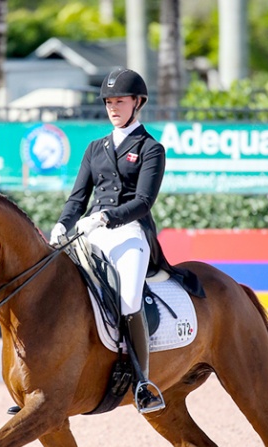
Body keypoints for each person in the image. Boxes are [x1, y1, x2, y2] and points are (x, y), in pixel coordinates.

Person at [48, 66, 204, 414]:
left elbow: (144, 201)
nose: (113, 108)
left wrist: (107, 216)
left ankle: (143, 381)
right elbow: (78, 197)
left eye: (119, 101)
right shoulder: (95, 148)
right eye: (108, 102)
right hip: (91, 232)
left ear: (137, 102)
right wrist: (62, 224)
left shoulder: (151, 148)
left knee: (129, 298)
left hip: (130, 234)